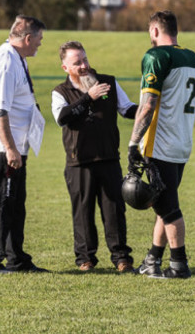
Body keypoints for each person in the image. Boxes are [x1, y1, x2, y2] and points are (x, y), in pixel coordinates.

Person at [51, 41, 138, 273]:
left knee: (114, 211)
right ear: (65, 68)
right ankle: (85, 260)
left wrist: (148, 109)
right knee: (82, 212)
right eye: (77, 62)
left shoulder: (108, 81)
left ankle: (121, 259)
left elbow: (126, 108)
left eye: (85, 59)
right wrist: (88, 97)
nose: (83, 66)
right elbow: (63, 118)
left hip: (109, 158)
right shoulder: (60, 92)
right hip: (78, 162)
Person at [128, 10, 195, 279]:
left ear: (155, 31)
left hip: (160, 143)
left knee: (168, 206)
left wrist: (133, 142)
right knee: (162, 203)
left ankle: (179, 264)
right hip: (183, 141)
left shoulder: (156, 56)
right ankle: (152, 260)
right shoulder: (194, 58)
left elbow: (148, 105)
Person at [0, 15, 49, 274]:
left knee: (15, 204)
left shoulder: (18, 60)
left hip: (16, 146)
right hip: (1, 148)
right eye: (39, 40)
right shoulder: (4, 61)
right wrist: (9, 148)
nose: (40, 45)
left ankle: (16, 259)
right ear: (28, 38)